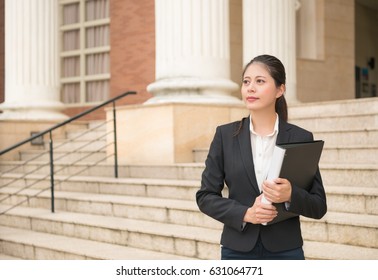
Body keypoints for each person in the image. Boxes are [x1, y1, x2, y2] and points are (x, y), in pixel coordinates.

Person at [196, 54, 327, 260]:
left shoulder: (300, 137)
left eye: (260, 81)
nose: (250, 88)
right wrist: (245, 213)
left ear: (280, 90)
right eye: (246, 82)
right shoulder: (225, 136)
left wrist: (291, 194)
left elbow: (318, 205)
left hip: (286, 251)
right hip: (237, 251)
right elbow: (205, 197)